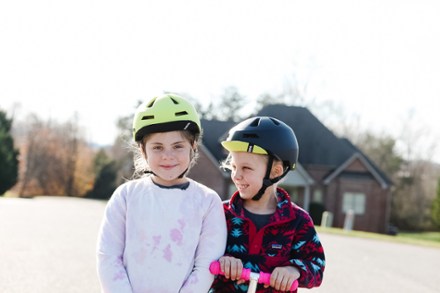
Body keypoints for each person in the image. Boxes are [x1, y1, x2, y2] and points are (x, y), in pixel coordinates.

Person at [96, 93, 227, 293]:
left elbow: (206, 267)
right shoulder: (126, 196)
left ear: (193, 146)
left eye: (177, 146)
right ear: (142, 150)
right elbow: (108, 256)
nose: (168, 156)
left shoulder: (207, 202)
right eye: (157, 147)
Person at [210, 116, 325, 292]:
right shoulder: (220, 213)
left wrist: (294, 270)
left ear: (275, 172)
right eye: (233, 167)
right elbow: (198, 257)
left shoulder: (298, 221)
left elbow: (316, 266)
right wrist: (222, 260)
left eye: (246, 168)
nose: (236, 175)